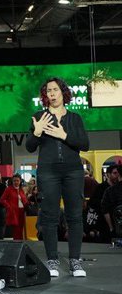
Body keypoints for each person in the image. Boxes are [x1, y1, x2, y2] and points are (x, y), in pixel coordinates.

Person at [25, 77, 90, 277]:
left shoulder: (75, 118)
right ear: (45, 96)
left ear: (63, 92)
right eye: (48, 91)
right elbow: (29, 146)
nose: (52, 93)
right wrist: (36, 132)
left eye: (55, 90)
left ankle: (75, 262)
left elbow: (84, 144)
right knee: (50, 217)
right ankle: (52, 261)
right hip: (48, 171)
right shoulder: (39, 117)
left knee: (74, 216)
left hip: (73, 171)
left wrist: (64, 135)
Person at [0, 173, 29, 241]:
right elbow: (2, 200)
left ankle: (20, 243)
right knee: (16, 230)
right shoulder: (9, 189)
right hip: (14, 212)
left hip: (22, 212)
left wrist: (27, 203)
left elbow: (24, 199)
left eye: (17, 180)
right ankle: (17, 244)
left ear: (20, 181)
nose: (16, 182)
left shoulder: (21, 189)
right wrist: (9, 207)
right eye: (14, 180)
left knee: (21, 229)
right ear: (12, 181)